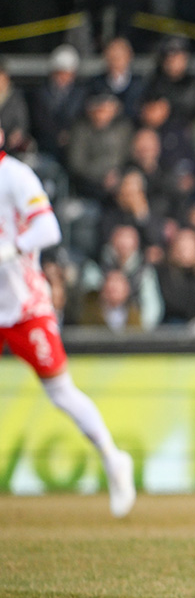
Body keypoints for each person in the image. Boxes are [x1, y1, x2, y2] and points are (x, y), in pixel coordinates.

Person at [0, 124, 135, 517]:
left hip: (24, 306)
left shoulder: (15, 175)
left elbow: (49, 228)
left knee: (60, 390)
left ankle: (112, 458)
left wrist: (11, 251)